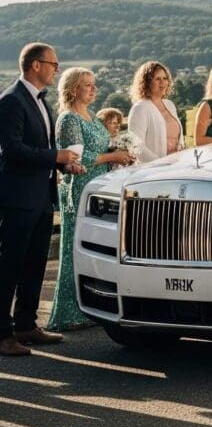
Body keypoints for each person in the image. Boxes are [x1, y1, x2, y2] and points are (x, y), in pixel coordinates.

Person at [0, 43, 84, 356]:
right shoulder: (11, 100)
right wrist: (56, 156)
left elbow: (42, 149)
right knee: (9, 267)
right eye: (53, 64)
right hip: (18, 198)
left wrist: (63, 164)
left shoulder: (40, 100)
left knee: (34, 264)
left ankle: (26, 325)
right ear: (36, 65)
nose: (56, 69)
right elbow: (12, 149)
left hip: (42, 197)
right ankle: (2, 335)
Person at [47, 68, 135, 331]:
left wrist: (121, 151)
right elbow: (76, 158)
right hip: (80, 188)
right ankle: (69, 312)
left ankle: (93, 305)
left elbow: (100, 147)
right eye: (88, 85)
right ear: (73, 88)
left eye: (94, 84)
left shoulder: (93, 117)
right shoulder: (69, 119)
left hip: (100, 187)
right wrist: (112, 157)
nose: (94, 89)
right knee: (75, 247)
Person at [127, 60, 185, 163]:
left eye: (165, 78)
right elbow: (136, 146)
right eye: (157, 79)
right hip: (154, 169)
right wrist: (161, 163)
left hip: (177, 164)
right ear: (147, 83)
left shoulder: (170, 105)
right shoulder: (140, 108)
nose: (162, 82)